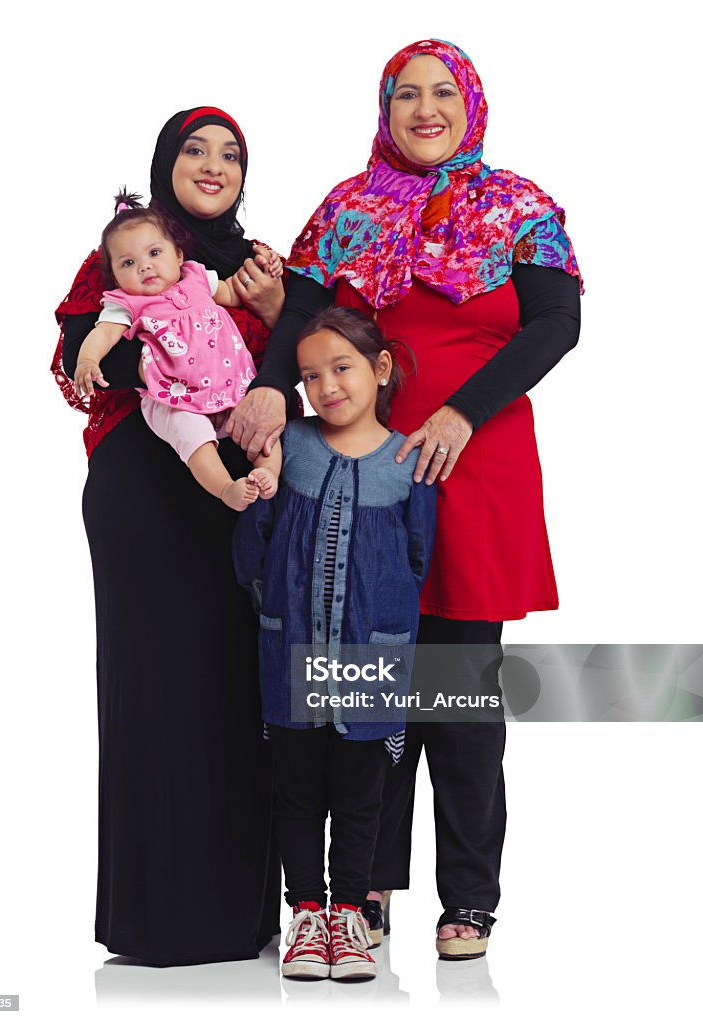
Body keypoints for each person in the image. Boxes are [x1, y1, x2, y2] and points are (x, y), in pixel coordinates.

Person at [228, 39, 582, 960]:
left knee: (459, 692)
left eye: (441, 95)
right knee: (364, 678)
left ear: (471, 104)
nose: (426, 111)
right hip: (358, 477)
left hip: (476, 468)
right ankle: (365, 887)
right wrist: (271, 384)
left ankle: (469, 899)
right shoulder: (347, 208)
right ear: (384, 112)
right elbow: (301, 316)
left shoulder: (519, 207)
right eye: (405, 97)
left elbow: (558, 321)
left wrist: (464, 412)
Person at [52, 106, 288, 966]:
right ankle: (155, 918)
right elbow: (81, 356)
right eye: (196, 149)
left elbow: (306, 361)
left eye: (232, 153)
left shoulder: (254, 268)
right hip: (144, 493)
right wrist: (159, 350)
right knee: (152, 686)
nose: (214, 164)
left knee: (238, 686)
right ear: (166, 161)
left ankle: (241, 914)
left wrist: (279, 313)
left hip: (235, 492)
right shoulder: (127, 252)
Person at [233, 307, 436, 980]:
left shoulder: (407, 463)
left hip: (371, 655)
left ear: (379, 370)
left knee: (359, 794)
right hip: (289, 647)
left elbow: (414, 561)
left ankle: (351, 913)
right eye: (310, 375)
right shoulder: (288, 445)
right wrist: (270, 602)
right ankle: (306, 916)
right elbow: (252, 543)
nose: (327, 387)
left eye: (341, 368)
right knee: (295, 792)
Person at [74, 192, 281, 510]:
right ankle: (226, 488)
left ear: (179, 255)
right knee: (193, 437)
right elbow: (103, 334)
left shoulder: (197, 278)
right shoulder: (126, 303)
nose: (145, 267)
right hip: (171, 396)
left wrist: (262, 278)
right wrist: (88, 359)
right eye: (128, 263)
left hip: (227, 382)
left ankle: (267, 473)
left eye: (154, 252)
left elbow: (233, 292)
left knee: (263, 427)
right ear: (115, 276)